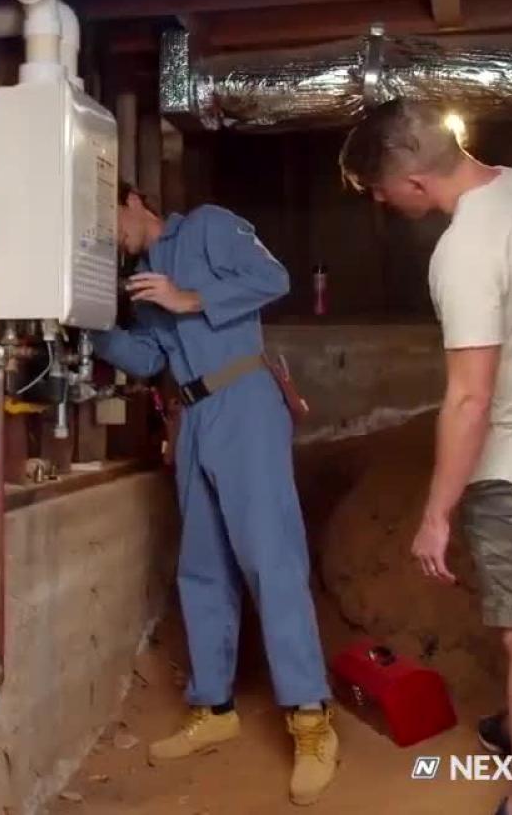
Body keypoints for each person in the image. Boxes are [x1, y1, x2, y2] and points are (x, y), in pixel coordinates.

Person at [338, 100, 512, 815]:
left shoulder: (465, 251)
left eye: (382, 191)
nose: (384, 204)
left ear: (416, 183)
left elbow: (469, 400)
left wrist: (436, 513)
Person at [94, 182, 338, 806]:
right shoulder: (140, 280)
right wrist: (87, 326)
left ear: (133, 201)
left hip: (245, 399)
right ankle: (215, 706)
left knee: (269, 559)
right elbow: (150, 358)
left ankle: (311, 722)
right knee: (201, 568)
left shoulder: (208, 225)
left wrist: (191, 297)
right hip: (194, 418)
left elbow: (273, 277)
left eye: (106, 214)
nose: (108, 232)